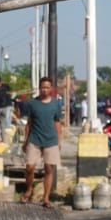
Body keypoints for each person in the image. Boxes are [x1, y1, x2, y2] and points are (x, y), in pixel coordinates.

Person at [20, 76, 64, 208]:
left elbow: (58, 123)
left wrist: (59, 140)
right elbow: (29, 123)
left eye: (47, 87)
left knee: (49, 169)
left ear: (51, 89)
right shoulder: (32, 103)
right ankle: (29, 189)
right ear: (39, 88)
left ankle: (46, 198)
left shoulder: (56, 103)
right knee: (30, 167)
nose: (45, 90)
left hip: (51, 140)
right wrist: (25, 140)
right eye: (42, 87)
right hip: (34, 139)